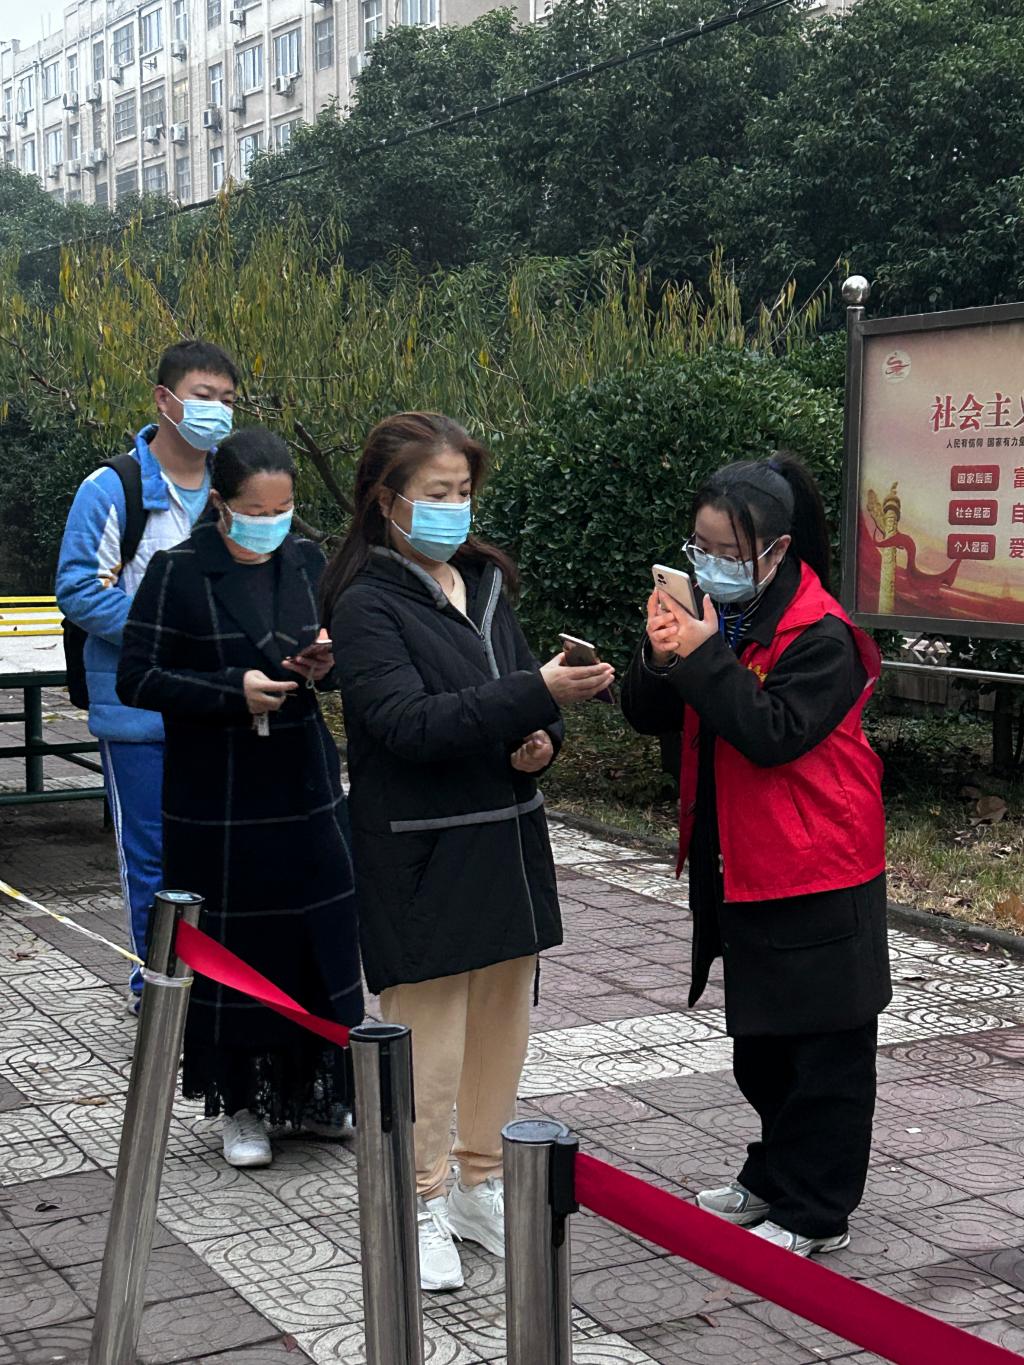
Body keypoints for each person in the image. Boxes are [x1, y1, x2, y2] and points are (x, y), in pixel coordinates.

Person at [323, 412, 614, 1291]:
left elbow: (521, 699)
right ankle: (417, 1198)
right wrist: (533, 692)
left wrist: (543, 736)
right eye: (437, 493)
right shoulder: (366, 604)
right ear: (386, 500)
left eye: (464, 492)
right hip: (421, 853)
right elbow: (407, 724)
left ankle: (477, 1180)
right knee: (429, 1040)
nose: (455, 508)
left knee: (500, 1026)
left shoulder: (482, 583)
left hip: (505, 839)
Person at [621, 453, 891, 1258]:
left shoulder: (824, 636)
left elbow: (773, 734)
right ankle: (775, 1175)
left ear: (775, 551)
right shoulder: (723, 614)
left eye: (727, 552)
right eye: (699, 547)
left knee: (824, 1053)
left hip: (820, 868)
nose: (709, 564)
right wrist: (660, 651)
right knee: (764, 1046)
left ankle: (818, 1209)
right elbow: (649, 712)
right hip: (743, 864)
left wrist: (702, 653)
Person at [117, 427, 363, 1169]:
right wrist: (232, 690)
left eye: (283, 508)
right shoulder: (179, 570)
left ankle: (317, 1093)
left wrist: (324, 664)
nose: (272, 521)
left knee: (315, 938)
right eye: (257, 510)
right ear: (222, 504)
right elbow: (138, 677)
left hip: (302, 781)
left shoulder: (307, 561)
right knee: (233, 949)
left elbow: (344, 659)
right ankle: (242, 1104)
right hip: (218, 793)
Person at [56, 340, 239, 1014]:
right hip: (139, 715)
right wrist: (171, 629)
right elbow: (80, 590)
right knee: (154, 858)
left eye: (226, 399)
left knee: (221, 852)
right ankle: (158, 989)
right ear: (164, 399)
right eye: (202, 395)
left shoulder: (234, 488)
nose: (216, 410)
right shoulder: (114, 489)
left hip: (219, 707)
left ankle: (219, 984)